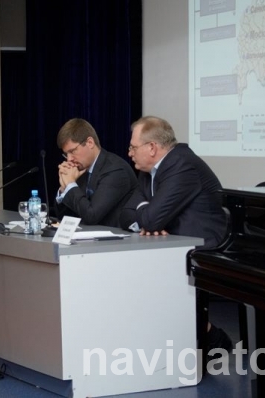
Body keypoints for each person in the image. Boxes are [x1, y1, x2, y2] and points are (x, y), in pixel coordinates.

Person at [119, 115, 232, 354]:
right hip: (174, 242)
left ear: (152, 147)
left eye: (133, 147)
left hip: (207, 245)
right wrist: (147, 216)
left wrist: (147, 215)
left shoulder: (181, 164)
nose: (129, 153)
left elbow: (150, 219)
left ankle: (210, 337)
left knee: (148, 273)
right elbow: (126, 214)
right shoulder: (147, 172)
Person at [55, 118, 138, 228]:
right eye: (66, 154)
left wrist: (71, 185)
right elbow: (65, 217)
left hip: (115, 237)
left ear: (90, 143)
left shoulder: (115, 170)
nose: (69, 159)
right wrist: (64, 188)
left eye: (72, 151)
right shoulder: (80, 169)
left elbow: (92, 216)